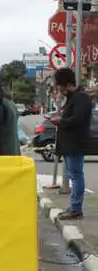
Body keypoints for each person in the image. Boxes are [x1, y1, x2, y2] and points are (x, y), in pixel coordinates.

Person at [51, 68, 93, 220]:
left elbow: (78, 119)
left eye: (59, 85)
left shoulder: (81, 98)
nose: (59, 89)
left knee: (76, 175)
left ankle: (76, 208)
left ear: (66, 83)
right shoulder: (72, 98)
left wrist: (60, 121)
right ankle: (73, 207)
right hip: (69, 143)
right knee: (73, 174)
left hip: (76, 143)